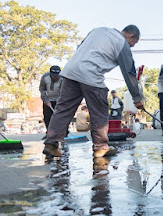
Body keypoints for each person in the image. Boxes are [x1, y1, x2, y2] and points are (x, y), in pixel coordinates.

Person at [42, 25, 144, 158]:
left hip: (70, 71)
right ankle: (101, 148)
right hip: (91, 74)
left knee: (63, 109)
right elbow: (129, 72)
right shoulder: (122, 43)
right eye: (133, 43)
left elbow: (80, 48)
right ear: (131, 36)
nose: (132, 46)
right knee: (99, 111)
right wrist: (137, 98)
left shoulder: (98, 30)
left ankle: (51, 143)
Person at [39, 65, 63, 140]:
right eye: (53, 76)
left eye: (56, 76)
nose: (55, 77)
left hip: (59, 99)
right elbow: (42, 89)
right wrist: (46, 100)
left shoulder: (63, 78)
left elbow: (64, 91)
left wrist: (60, 102)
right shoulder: (45, 77)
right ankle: (49, 134)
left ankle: (63, 133)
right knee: (47, 117)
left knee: (61, 116)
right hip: (48, 100)